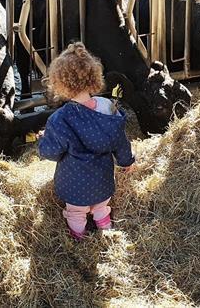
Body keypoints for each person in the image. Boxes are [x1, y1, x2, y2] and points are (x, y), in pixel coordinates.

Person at [38, 42, 134, 240]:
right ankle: (106, 231)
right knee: (101, 207)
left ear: (60, 84)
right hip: (103, 183)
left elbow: (51, 152)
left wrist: (43, 140)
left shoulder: (60, 119)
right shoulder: (109, 109)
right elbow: (121, 142)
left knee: (76, 213)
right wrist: (127, 162)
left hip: (74, 187)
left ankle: (79, 236)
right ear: (93, 77)